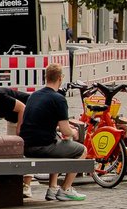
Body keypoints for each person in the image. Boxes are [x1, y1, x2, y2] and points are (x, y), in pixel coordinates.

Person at [18, 63, 86, 201]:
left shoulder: (34, 96)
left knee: (58, 140)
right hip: (43, 147)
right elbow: (65, 129)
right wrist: (74, 132)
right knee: (81, 150)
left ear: (46, 77)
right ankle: (66, 189)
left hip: (27, 146)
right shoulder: (58, 99)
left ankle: (52, 188)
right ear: (60, 78)